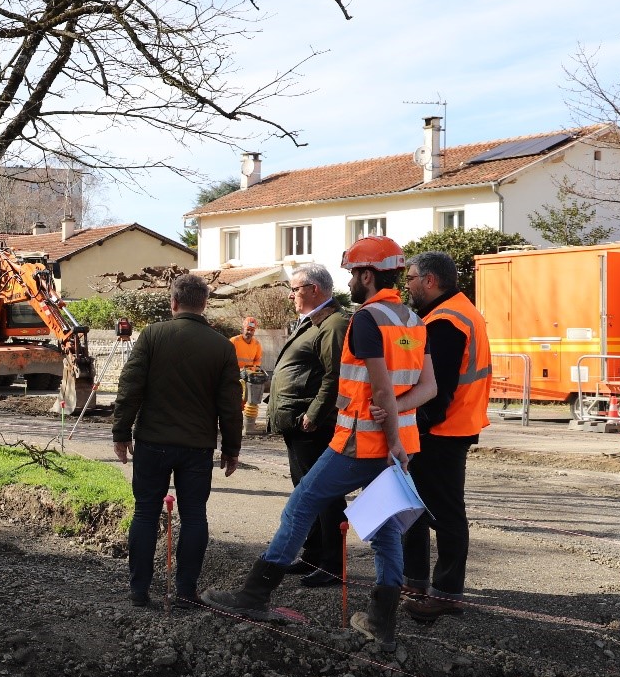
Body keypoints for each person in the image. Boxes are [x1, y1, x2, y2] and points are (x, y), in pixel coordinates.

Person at [201, 236, 438, 652]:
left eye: (352, 274)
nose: (350, 282)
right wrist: (398, 425)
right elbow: (428, 388)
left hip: (360, 443)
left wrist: (387, 416)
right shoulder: (413, 321)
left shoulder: (367, 318)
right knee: (383, 527)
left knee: (301, 504)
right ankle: (381, 620)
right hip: (398, 446)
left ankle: (255, 594)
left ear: (367, 274)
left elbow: (381, 388)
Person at [113, 273, 242, 609]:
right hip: (197, 447)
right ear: (204, 304)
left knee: (144, 513)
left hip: (152, 441)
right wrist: (232, 448)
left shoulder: (153, 335)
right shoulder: (222, 347)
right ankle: (185, 592)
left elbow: (130, 388)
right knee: (195, 516)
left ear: (173, 301)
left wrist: (120, 433)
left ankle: (139, 590)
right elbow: (231, 405)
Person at [398, 250, 491, 622]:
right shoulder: (458, 311)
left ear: (430, 281)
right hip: (450, 426)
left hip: (441, 430)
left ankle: (446, 594)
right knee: (417, 509)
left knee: (445, 514)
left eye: (411, 278)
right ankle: (416, 582)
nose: (408, 285)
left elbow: (440, 386)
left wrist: (416, 423)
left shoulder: (446, 321)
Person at [266, 264, 350, 588]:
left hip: (313, 426)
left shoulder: (332, 325)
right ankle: (314, 555)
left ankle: (332, 565)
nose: (291, 295)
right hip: (299, 424)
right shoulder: (314, 322)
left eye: (295, 289)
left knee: (324, 495)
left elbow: (335, 375)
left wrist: (314, 414)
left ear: (314, 289)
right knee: (306, 493)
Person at [231, 316, 265, 435]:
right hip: (234, 375)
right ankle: (234, 424)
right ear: (243, 328)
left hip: (249, 376)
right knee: (234, 400)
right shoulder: (234, 341)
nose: (249, 332)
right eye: (247, 329)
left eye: (252, 330)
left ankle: (246, 424)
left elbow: (258, 360)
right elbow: (227, 358)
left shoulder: (256, 344)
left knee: (248, 401)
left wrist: (253, 369)